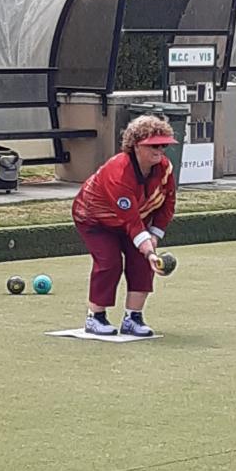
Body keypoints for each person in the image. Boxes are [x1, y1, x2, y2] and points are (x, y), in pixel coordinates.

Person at [72, 114, 177, 336]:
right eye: (153, 146)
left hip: (134, 218)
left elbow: (168, 203)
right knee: (109, 262)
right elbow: (130, 220)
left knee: (141, 261)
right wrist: (149, 249)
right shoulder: (118, 173)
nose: (160, 150)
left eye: (163, 145)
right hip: (94, 218)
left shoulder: (164, 168)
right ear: (136, 146)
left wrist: (154, 235)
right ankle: (95, 317)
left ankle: (133, 318)